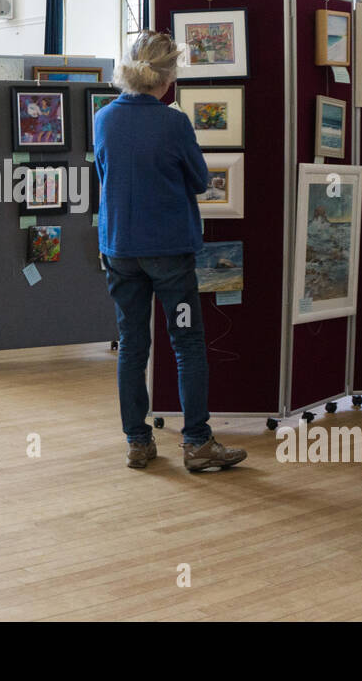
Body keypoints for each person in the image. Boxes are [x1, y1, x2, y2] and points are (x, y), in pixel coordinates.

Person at [93, 30, 248, 472]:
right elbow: (201, 181)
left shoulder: (104, 118)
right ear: (167, 77)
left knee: (132, 345)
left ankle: (138, 442)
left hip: (121, 251)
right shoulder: (173, 122)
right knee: (187, 343)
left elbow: (107, 175)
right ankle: (197, 442)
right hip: (168, 255)